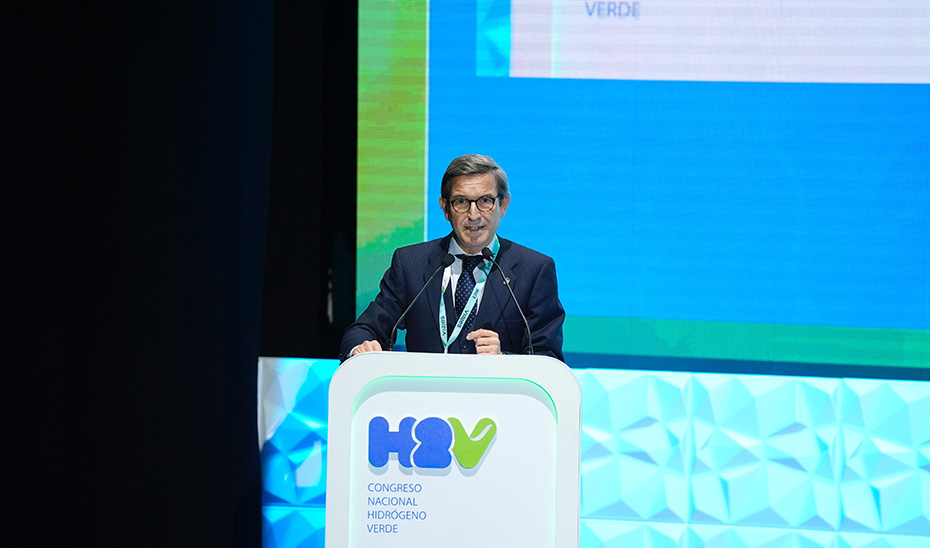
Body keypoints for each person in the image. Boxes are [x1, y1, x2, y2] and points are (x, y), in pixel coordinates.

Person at [340, 154, 564, 360]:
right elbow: (363, 330)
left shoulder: (535, 269)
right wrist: (361, 349)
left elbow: (548, 358)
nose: (474, 215)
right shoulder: (410, 263)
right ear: (445, 208)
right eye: (461, 202)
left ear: (503, 205)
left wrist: (503, 358)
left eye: (485, 201)